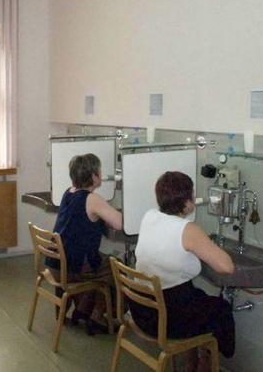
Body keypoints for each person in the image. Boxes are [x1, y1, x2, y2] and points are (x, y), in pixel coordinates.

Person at [133, 171, 236, 371]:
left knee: (195, 299)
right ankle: (207, 363)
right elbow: (226, 266)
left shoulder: (150, 216)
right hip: (166, 319)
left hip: (142, 310)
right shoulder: (187, 229)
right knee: (220, 309)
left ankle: (191, 364)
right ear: (187, 202)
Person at [46, 153, 123, 335]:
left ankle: (82, 309)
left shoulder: (69, 192)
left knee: (100, 263)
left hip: (55, 262)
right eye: (99, 171)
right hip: (73, 267)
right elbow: (120, 223)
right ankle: (96, 317)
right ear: (93, 176)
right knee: (116, 268)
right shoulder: (92, 199)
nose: (101, 174)